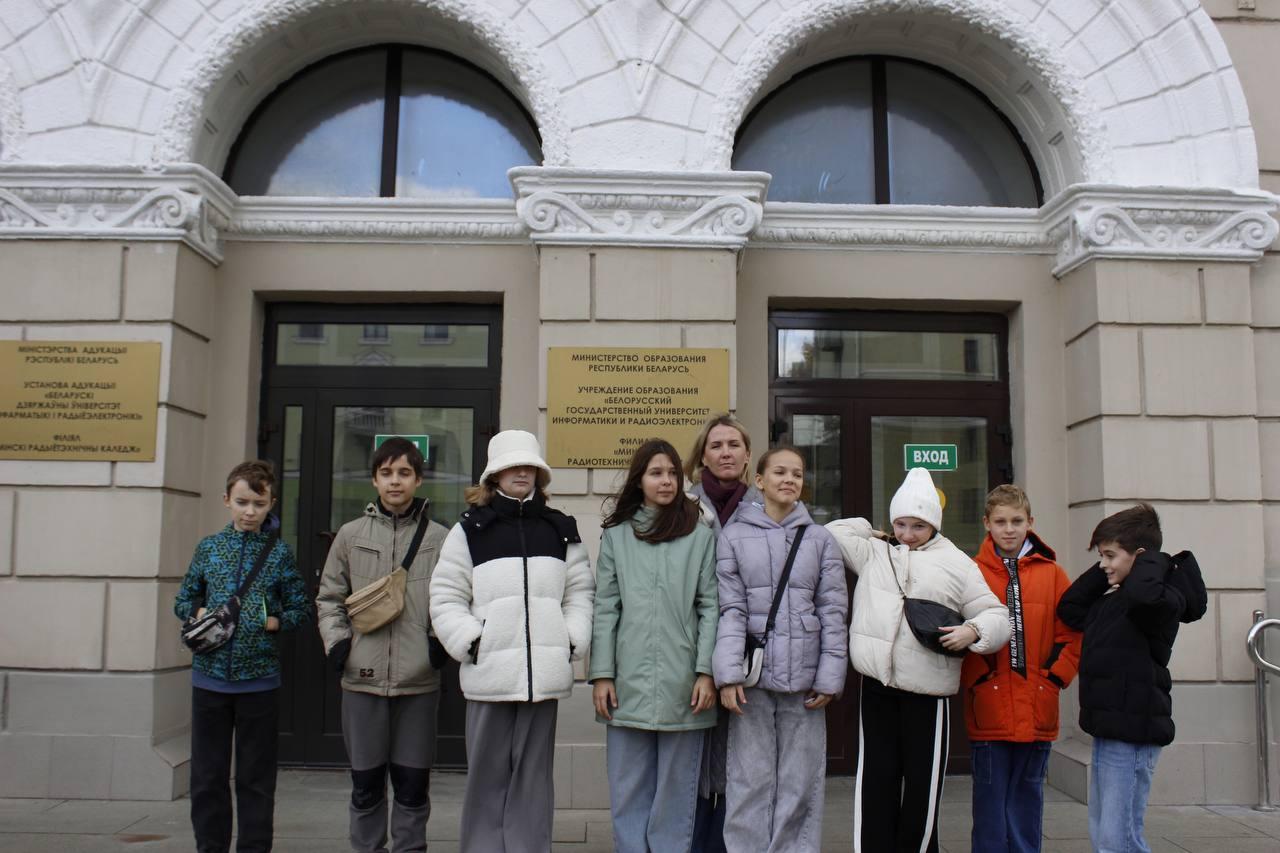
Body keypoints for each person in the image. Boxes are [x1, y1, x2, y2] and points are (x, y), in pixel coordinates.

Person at [826, 467, 1010, 853]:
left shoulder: (958, 563)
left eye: (918, 525)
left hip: (928, 694)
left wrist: (973, 631)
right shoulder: (877, 552)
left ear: (935, 525)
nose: (908, 534)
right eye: (901, 523)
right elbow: (834, 533)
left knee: (922, 789)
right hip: (877, 688)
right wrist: (876, 532)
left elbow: (997, 617)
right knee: (876, 781)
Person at [429, 429, 595, 853]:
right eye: (512, 466)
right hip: (490, 677)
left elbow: (580, 594)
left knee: (534, 779)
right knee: (487, 777)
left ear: (539, 474)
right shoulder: (468, 531)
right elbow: (446, 596)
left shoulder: (560, 530)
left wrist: (569, 641)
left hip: (544, 679)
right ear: (494, 475)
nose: (521, 472)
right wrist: (473, 643)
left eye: (529, 466)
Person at [316, 436, 450, 853]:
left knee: (412, 786)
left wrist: (437, 643)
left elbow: (452, 600)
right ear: (374, 480)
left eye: (404, 473)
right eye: (387, 473)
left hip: (418, 681)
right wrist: (338, 644)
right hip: (362, 680)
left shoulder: (442, 539)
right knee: (366, 785)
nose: (396, 482)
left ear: (418, 480)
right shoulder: (351, 536)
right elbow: (328, 598)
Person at [712, 446, 848, 853]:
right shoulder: (734, 536)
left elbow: (833, 610)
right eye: (780, 473)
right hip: (752, 681)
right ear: (760, 480)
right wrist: (728, 674)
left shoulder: (820, 539)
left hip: (805, 681)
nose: (789, 480)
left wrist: (830, 676)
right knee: (748, 780)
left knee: (800, 783)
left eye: (797, 474)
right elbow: (730, 609)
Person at [174, 459, 311, 853]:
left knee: (255, 778)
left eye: (259, 503)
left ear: (271, 504)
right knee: (207, 776)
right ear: (227, 501)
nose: (250, 511)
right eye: (242, 502)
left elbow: (301, 608)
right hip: (209, 679)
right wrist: (202, 614)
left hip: (260, 682)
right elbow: (183, 599)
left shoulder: (279, 554)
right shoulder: (209, 549)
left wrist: (271, 622)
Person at [590, 439, 719, 853]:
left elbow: (711, 606)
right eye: (656, 473)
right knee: (628, 790)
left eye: (672, 473)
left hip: (686, 685)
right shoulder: (617, 537)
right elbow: (606, 608)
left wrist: (705, 672)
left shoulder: (699, 534)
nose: (666, 481)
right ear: (640, 480)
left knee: (675, 796)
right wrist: (602, 674)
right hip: (627, 682)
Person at [1057, 504, 1206, 853]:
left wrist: (1151, 558)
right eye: (1100, 556)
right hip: (1110, 730)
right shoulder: (1114, 599)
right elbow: (1071, 608)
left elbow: (1145, 595)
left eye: (1110, 555)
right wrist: (1108, 568)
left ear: (1140, 557)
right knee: (1105, 834)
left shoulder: (1160, 599)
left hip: (1135, 732)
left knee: (1119, 839)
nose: (1104, 564)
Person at [963, 485, 1081, 853]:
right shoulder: (971, 572)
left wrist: (1054, 679)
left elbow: (1071, 634)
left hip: (1037, 706)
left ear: (1030, 522)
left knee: (1027, 798)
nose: (1009, 529)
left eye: (1017, 521)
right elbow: (963, 632)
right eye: (1000, 522)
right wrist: (979, 680)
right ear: (987, 524)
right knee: (989, 803)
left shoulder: (1053, 574)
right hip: (989, 710)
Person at [684, 414, 760, 853]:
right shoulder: (685, 505)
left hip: (748, 651)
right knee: (696, 752)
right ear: (704, 456)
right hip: (694, 643)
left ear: (748, 455)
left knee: (740, 754)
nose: (726, 452)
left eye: (734, 444)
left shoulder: (764, 506)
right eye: (716, 445)